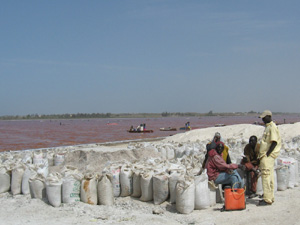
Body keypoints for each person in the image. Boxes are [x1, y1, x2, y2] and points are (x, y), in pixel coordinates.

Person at [257, 110, 281, 206]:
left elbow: (274, 142)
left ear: (268, 116)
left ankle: (267, 199)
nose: (262, 119)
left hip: (267, 156)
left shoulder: (272, 127)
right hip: (267, 156)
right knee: (269, 177)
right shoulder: (268, 127)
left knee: (266, 177)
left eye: (264, 117)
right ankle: (270, 197)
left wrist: (267, 154)